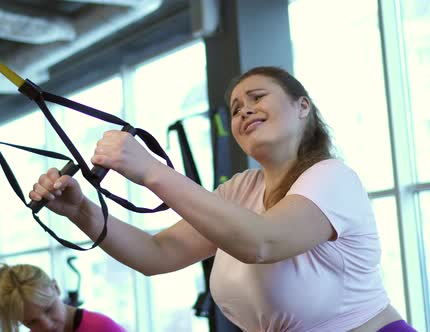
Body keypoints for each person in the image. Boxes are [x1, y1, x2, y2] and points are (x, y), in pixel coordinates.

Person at [29, 66, 416, 332]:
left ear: (303, 107)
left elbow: (263, 242)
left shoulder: (332, 177)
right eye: (235, 108)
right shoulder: (240, 190)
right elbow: (157, 252)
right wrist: (82, 211)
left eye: (257, 97)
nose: (244, 109)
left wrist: (151, 170)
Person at [0, 263, 127, 332]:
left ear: (56, 287)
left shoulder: (103, 328)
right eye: (32, 322)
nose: (47, 326)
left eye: (48, 309)